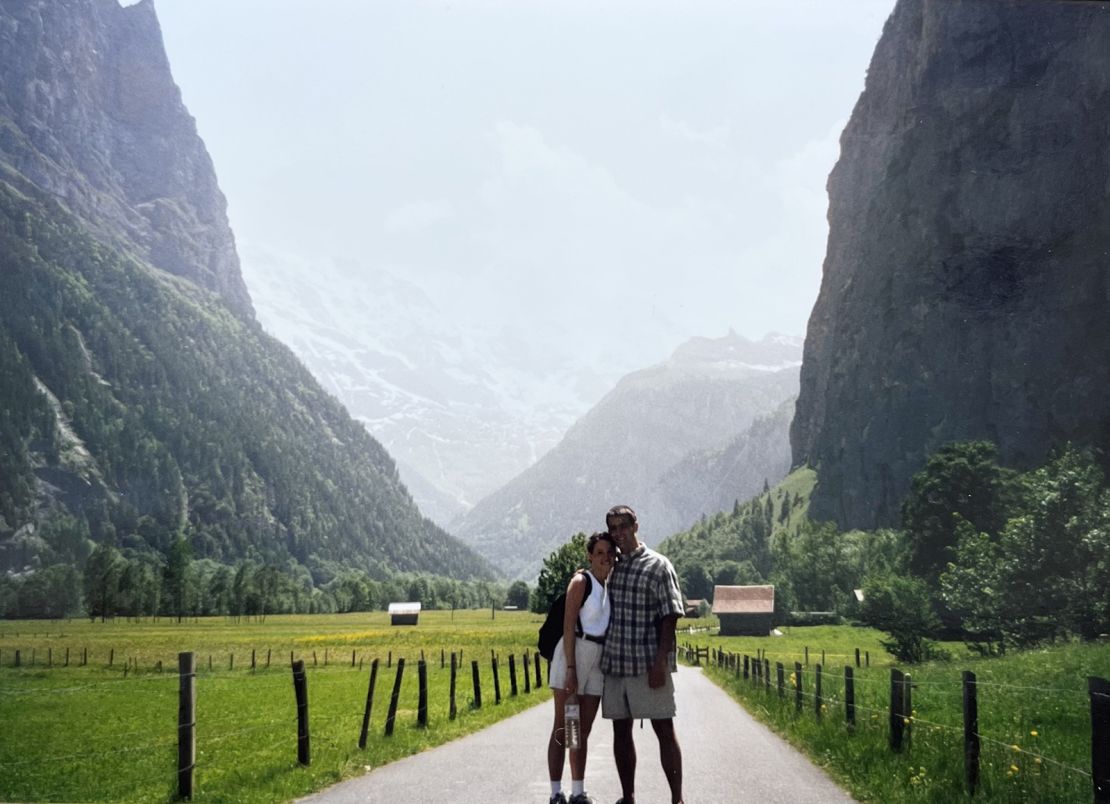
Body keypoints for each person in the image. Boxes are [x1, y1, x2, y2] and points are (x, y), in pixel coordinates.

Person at [600, 504, 685, 804]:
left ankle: (677, 799)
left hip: (648, 663)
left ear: (636, 525)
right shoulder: (612, 566)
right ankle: (628, 797)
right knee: (620, 732)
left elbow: (670, 615)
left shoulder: (659, 565)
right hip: (616, 663)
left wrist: (661, 661)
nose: (619, 533)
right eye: (613, 528)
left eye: (623, 526)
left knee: (663, 728)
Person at [546, 531, 616, 804]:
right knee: (563, 727)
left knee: (581, 730)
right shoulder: (580, 581)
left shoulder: (610, 584)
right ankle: (555, 793)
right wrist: (571, 669)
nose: (605, 557)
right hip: (572, 654)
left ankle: (577, 792)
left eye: (609, 552)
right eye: (599, 553)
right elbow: (568, 624)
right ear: (589, 556)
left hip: (596, 658)